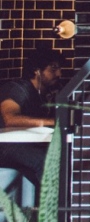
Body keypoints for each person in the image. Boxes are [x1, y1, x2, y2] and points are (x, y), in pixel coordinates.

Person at [0, 46, 65, 192]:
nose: (59, 74)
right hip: (4, 145)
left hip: (18, 144)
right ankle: (54, 210)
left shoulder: (42, 93)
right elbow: (10, 119)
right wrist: (52, 122)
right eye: (53, 69)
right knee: (44, 161)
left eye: (60, 69)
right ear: (37, 71)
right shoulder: (18, 88)